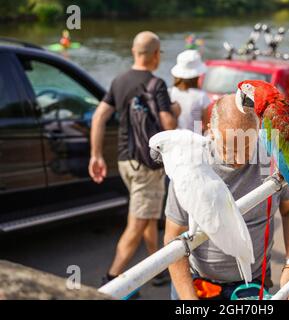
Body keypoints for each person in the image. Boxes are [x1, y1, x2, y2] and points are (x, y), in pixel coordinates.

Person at [164, 94, 289, 300]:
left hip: (253, 283)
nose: (239, 159)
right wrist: (189, 299)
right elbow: (173, 237)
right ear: (210, 132)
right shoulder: (190, 167)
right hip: (198, 284)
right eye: (230, 149)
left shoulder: (273, 159)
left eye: (247, 148)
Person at [89, 31, 178, 292]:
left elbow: (98, 117)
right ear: (156, 55)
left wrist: (96, 155)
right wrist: (175, 110)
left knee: (148, 216)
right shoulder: (156, 84)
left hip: (125, 162)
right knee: (138, 223)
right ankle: (110, 282)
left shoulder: (118, 81)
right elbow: (169, 124)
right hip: (146, 166)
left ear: (133, 51)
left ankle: (158, 269)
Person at [169, 50, 211, 132]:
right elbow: (206, 124)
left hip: (173, 139)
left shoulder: (170, 92)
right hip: (194, 140)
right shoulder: (201, 96)